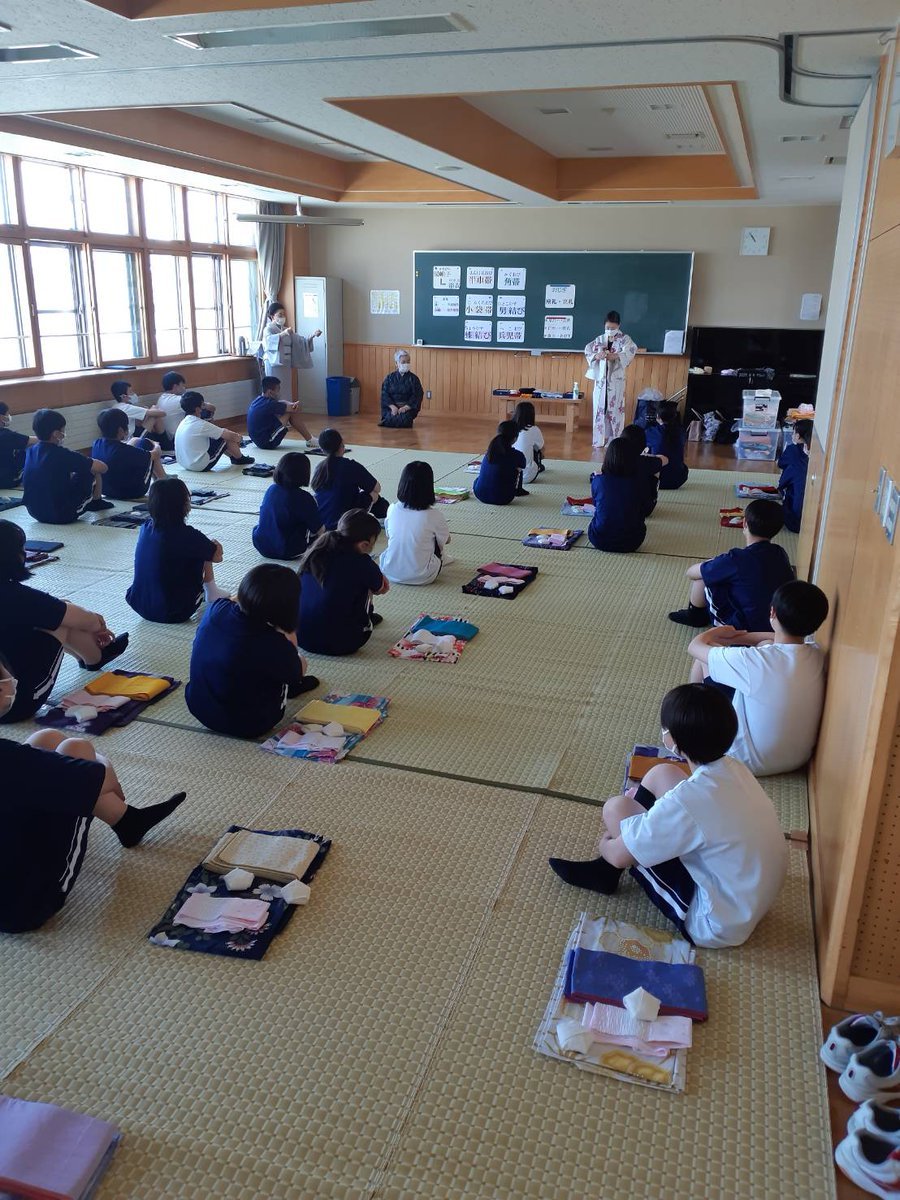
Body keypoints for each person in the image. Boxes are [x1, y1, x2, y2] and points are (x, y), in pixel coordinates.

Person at [548, 683, 788, 949]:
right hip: (752, 893)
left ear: (672, 739)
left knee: (615, 809)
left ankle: (607, 870)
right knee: (662, 774)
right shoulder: (734, 767)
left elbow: (618, 853)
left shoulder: (688, 799)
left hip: (716, 921)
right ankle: (606, 874)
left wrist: (609, 844)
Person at [0, 659, 187, 934]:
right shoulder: (10, 757)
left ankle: (127, 821)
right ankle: (126, 819)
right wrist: (106, 771)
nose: (9, 680)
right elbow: (94, 774)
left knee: (46, 739)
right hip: (21, 909)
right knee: (78, 751)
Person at [685, 580, 829, 776]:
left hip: (745, 759)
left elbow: (695, 646)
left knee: (705, 660)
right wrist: (740, 638)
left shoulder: (754, 660)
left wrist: (718, 632)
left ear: (772, 613)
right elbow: (773, 639)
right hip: (797, 759)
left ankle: (690, 715)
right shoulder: (816, 653)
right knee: (765, 643)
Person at [0, 519, 128, 724]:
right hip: (14, 704)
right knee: (61, 620)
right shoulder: (16, 595)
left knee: (58, 612)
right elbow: (81, 619)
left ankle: (94, 658)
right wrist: (99, 625)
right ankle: (95, 657)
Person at [185, 563, 318, 739]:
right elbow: (296, 674)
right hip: (251, 724)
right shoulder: (272, 643)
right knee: (301, 662)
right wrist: (288, 627)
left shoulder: (216, 609)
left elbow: (234, 601)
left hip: (199, 708)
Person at [668, 499, 794, 630]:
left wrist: (712, 562)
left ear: (744, 523)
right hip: (779, 625)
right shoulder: (780, 552)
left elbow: (691, 573)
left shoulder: (735, 559)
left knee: (705, 577)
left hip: (744, 628)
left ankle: (694, 616)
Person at [126, 477, 228, 623]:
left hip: (139, 603)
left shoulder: (145, 528)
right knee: (203, 549)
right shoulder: (187, 535)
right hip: (175, 611)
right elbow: (217, 557)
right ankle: (211, 590)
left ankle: (210, 590)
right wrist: (217, 546)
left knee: (196, 549)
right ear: (183, 505)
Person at [297, 509, 388, 656]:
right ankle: (367, 616)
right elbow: (381, 588)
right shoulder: (362, 562)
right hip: (343, 643)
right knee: (366, 585)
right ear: (364, 544)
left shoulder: (316, 552)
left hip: (301, 636)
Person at [23, 409, 114, 522]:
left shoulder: (30, 451)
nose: (64, 434)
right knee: (91, 470)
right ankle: (96, 502)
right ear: (56, 434)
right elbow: (103, 468)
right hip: (62, 514)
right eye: (63, 430)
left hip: (34, 512)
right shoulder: (63, 454)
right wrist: (89, 461)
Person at [380, 461, 451, 585]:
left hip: (388, 571)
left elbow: (388, 535)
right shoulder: (434, 515)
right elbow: (445, 541)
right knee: (435, 542)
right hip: (423, 576)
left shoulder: (392, 509)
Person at [261, 301, 321, 443]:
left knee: (284, 391)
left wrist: (312, 336)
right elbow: (268, 343)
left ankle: (285, 416)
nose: (282, 317)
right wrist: (282, 334)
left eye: (284, 315)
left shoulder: (286, 329)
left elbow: (301, 341)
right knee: (273, 392)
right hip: (273, 364)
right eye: (279, 315)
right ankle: (274, 419)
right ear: (271, 316)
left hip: (285, 365)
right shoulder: (268, 329)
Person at [311, 428, 388, 529]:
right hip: (344, 522)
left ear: (322, 449)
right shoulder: (351, 466)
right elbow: (377, 488)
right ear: (342, 445)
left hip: (322, 522)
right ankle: (384, 517)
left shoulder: (319, 468)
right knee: (373, 494)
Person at [252, 452, 323, 561]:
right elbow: (318, 529)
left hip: (261, 545)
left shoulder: (271, 489)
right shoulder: (304, 498)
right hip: (288, 550)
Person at [584, 310, 637, 449]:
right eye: (607, 328)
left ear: (618, 325)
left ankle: (615, 440)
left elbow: (631, 350)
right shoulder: (600, 339)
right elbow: (588, 350)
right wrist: (597, 356)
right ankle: (599, 440)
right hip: (601, 381)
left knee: (615, 409)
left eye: (613, 328)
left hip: (616, 380)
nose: (610, 330)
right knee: (599, 409)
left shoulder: (625, 339)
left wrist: (617, 355)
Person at [587, 437, 647, 553]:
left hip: (599, 539)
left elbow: (596, 504)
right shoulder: (639, 481)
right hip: (632, 541)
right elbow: (643, 508)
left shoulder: (598, 481)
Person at [92, 408, 166, 500]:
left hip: (106, 490)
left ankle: (163, 479)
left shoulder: (97, 443)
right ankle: (164, 481)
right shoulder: (125, 452)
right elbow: (156, 454)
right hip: (132, 491)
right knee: (148, 445)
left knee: (135, 440)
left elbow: (125, 449)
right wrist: (155, 444)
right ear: (120, 430)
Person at [173, 392, 253, 472]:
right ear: (198, 409)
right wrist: (239, 439)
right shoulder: (201, 424)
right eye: (203, 405)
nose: (205, 407)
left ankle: (234, 457)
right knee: (225, 437)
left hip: (183, 463)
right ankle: (240, 459)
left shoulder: (183, 422)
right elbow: (228, 435)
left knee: (219, 435)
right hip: (199, 465)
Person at [247, 375, 316, 450]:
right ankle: (310, 440)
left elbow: (281, 402)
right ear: (270, 392)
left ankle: (310, 439)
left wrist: (291, 404)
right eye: (278, 389)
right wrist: (297, 404)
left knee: (285, 409)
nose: (279, 392)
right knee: (290, 412)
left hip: (257, 441)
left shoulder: (258, 400)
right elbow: (294, 409)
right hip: (267, 442)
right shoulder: (271, 404)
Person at [473, 420, 528, 506]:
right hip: (503, 498)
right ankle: (519, 491)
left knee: (480, 479)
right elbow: (523, 465)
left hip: (480, 494)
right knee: (518, 468)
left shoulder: (489, 452)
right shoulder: (517, 455)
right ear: (515, 438)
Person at [621, 423, 666, 517]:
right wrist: (650, 456)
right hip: (643, 509)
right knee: (656, 468)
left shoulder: (614, 459)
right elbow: (665, 460)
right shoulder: (645, 461)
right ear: (643, 444)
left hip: (617, 508)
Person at [109, 380, 169, 446]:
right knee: (154, 413)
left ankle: (161, 443)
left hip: (129, 436)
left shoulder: (117, 406)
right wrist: (151, 410)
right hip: (131, 441)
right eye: (131, 392)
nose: (134, 394)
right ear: (123, 396)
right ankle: (166, 445)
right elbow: (163, 413)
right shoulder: (127, 408)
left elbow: (138, 423)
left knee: (152, 413)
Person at [778, 419, 812, 534]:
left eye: (793, 433)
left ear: (797, 436)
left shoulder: (792, 449)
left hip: (793, 522)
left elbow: (781, 463)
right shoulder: (816, 454)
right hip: (813, 523)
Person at [646, 401, 689, 490]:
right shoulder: (681, 431)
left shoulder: (651, 432)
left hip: (655, 480)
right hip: (678, 480)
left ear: (657, 416)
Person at [379, 349, 424, 429]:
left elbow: (417, 395)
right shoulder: (389, 378)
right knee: (389, 419)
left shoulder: (414, 379)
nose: (406, 364)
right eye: (403, 362)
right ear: (397, 363)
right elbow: (384, 394)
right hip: (392, 408)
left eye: (408, 362)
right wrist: (392, 407)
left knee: (404, 420)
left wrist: (406, 407)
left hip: (406, 408)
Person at [0, 402, 36, 489]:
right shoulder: (6, 435)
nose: (9, 416)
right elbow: (37, 440)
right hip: (6, 481)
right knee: (32, 448)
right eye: (7, 413)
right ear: (1, 417)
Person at [512, 400, 545, 485]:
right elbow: (541, 448)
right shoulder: (533, 429)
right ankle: (538, 466)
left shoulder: (508, 428)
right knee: (537, 449)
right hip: (525, 476)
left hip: (505, 475)